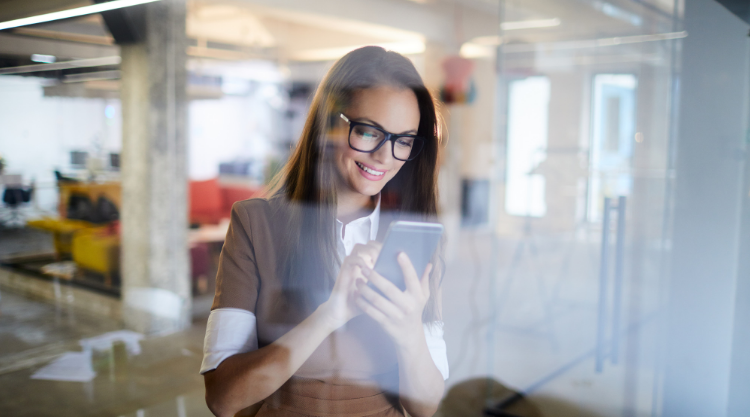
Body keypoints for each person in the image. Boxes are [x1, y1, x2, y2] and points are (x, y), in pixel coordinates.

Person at [201, 46, 448, 417]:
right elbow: (224, 399)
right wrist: (330, 314)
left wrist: (410, 331)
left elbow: (426, 408)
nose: (385, 157)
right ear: (328, 125)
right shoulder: (256, 225)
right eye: (368, 132)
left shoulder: (412, 239)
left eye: (404, 140)